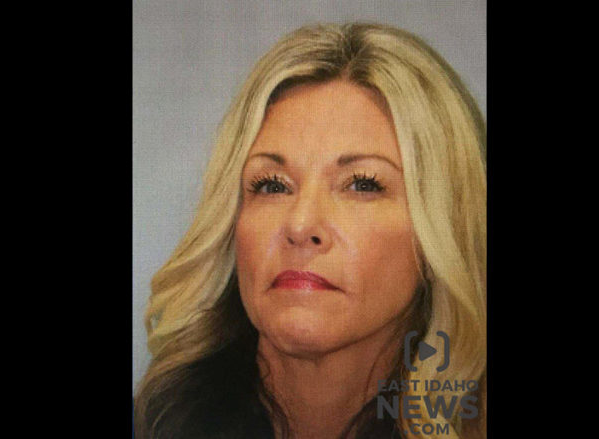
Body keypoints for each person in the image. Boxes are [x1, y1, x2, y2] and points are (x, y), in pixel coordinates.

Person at [134, 22, 486, 439]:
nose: (300, 225)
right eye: (272, 185)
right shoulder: (153, 424)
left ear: (441, 226)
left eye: (362, 184)